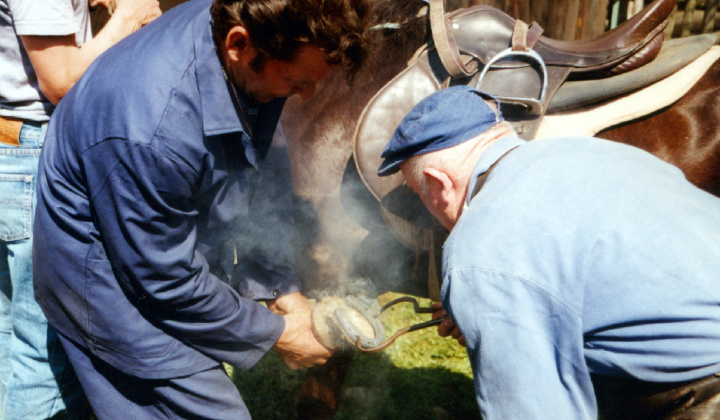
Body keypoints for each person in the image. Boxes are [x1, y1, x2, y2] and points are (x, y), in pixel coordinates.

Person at [32, 0, 370, 417]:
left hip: (159, 250)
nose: (307, 94)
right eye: (296, 80)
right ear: (238, 45)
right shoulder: (151, 129)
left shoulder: (236, 32)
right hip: (108, 281)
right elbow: (163, 278)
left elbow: (262, 163)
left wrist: (280, 287)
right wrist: (278, 334)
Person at [376, 85, 720, 420]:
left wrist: (485, 294)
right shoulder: (589, 151)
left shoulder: (481, 251)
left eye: (417, 191)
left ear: (438, 183)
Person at [0, 0, 160, 417]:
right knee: (49, 348)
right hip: (33, 156)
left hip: (11, 150)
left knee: (8, 336)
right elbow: (62, 79)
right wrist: (129, 16)